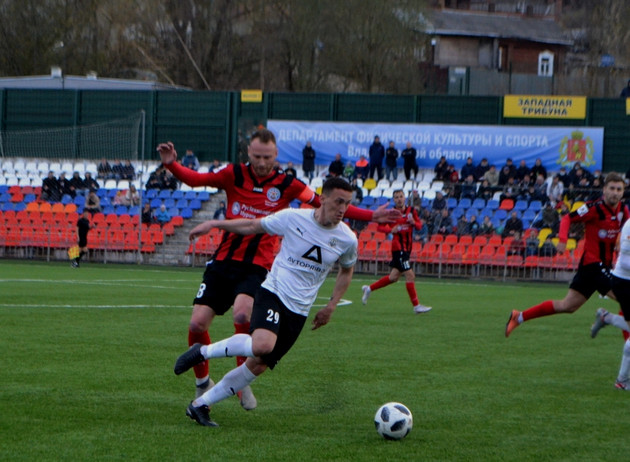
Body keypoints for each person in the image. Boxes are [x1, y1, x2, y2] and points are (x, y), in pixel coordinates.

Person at [157, 129, 399, 411]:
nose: (262, 162)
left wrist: (371, 216)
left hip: (258, 264)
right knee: (197, 324)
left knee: (243, 316)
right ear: (249, 153)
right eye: (257, 156)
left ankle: (238, 382)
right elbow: (198, 180)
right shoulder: (233, 174)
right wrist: (171, 164)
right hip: (225, 258)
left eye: (267, 157)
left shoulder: (288, 184)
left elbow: (331, 202)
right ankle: (202, 381)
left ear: (276, 156)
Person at [173, 177, 358, 427]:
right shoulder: (293, 218)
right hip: (274, 292)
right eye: (338, 202)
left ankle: (200, 406)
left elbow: (346, 270)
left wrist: (331, 305)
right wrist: (215, 224)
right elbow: (252, 225)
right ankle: (202, 352)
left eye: (347, 203)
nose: (343, 209)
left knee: (258, 365)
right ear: (323, 198)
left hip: (299, 310)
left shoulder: (347, 239)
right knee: (262, 345)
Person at [505, 172, 629, 338]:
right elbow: (566, 219)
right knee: (626, 299)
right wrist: (563, 240)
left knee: (568, 306)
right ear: (604, 190)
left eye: (619, 189)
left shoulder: (623, 210)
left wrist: (620, 242)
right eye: (612, 188)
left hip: (599, 267)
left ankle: (519, 317)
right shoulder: (593, 208)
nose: (615, 192)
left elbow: (626, 232)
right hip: (593, 265)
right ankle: (618, 334)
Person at [361, 189, 431, 314]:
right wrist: (390, 230)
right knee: (410, 275)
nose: (399, 199)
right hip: (398, 248)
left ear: (405, 198)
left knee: (393, 277)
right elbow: (380, 227)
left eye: (401, 196)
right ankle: (416, 306)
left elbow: (419, 226)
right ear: (394, 200)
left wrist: (413, 222)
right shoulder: (391, 214)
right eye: (396, 197)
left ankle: (369, 289)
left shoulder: (411, 211)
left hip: (407, 248)